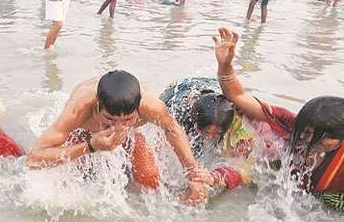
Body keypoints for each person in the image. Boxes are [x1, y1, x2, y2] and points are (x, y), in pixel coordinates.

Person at [27, 70, 211, 203]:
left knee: (150, 181)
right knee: (69, 184)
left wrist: (193, 174)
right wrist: (90, 146)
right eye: (110, 119)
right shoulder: (78, 110)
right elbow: (34, 159)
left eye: (128, 120)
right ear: (97, 105)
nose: (118, 127)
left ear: (138, 109)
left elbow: (173, 130)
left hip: (132, 136)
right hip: (84, 134)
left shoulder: (151, 107)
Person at [212, 28, 343, 210]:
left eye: (322, 138)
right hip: (284, 187)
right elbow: (238, 96)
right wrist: (225, 66)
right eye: (306, 132)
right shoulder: (292, 123)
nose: (309, 139)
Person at [160, 77, 289, 196]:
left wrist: (214, 177)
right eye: (205, 132)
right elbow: (166, 148)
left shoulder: (241, 129)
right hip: (179, 92)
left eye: (216, 133)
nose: (210, 137)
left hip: (213, 92)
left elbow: (243, 168)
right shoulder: (179, 114)